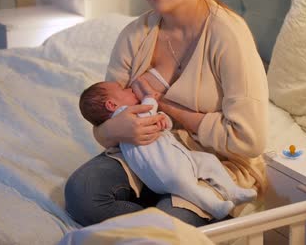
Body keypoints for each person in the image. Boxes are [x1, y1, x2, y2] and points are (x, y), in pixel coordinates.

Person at [65, 0, 268, 227]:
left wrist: (169, 109)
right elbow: (103, 128)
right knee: (81, 193)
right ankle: (160, 221)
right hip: (145, 155)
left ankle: (168, 219)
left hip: (211, 165)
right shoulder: (135, 35)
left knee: (166, 226)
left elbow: (248, 139)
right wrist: (119, 129)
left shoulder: (228, 35)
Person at [78, 80, 257, 220]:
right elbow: (147, 109)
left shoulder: (129, 111)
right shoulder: (125, 112)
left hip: (180, 154)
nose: (130, 89)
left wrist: (164, 119)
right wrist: (148, 96)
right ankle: (215, 206)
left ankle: (233, 191)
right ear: (111, 105)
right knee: (187, 186)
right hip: (165, 168)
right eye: (123, 90)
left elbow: (157, 119)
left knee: (208, 161)